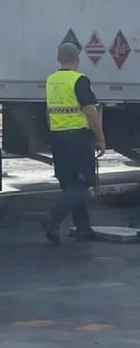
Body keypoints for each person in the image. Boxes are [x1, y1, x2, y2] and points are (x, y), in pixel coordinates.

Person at [41, 41, 106, 245]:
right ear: (77, 58)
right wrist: (100, 138)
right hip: (77, 137)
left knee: (71, 182)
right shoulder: (79, 80)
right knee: (83, 181)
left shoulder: (52, 80)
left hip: (58, 136)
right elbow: (90, 112)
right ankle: (53, 217)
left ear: (58, 59)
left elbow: (49, 110)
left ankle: (83, 227)